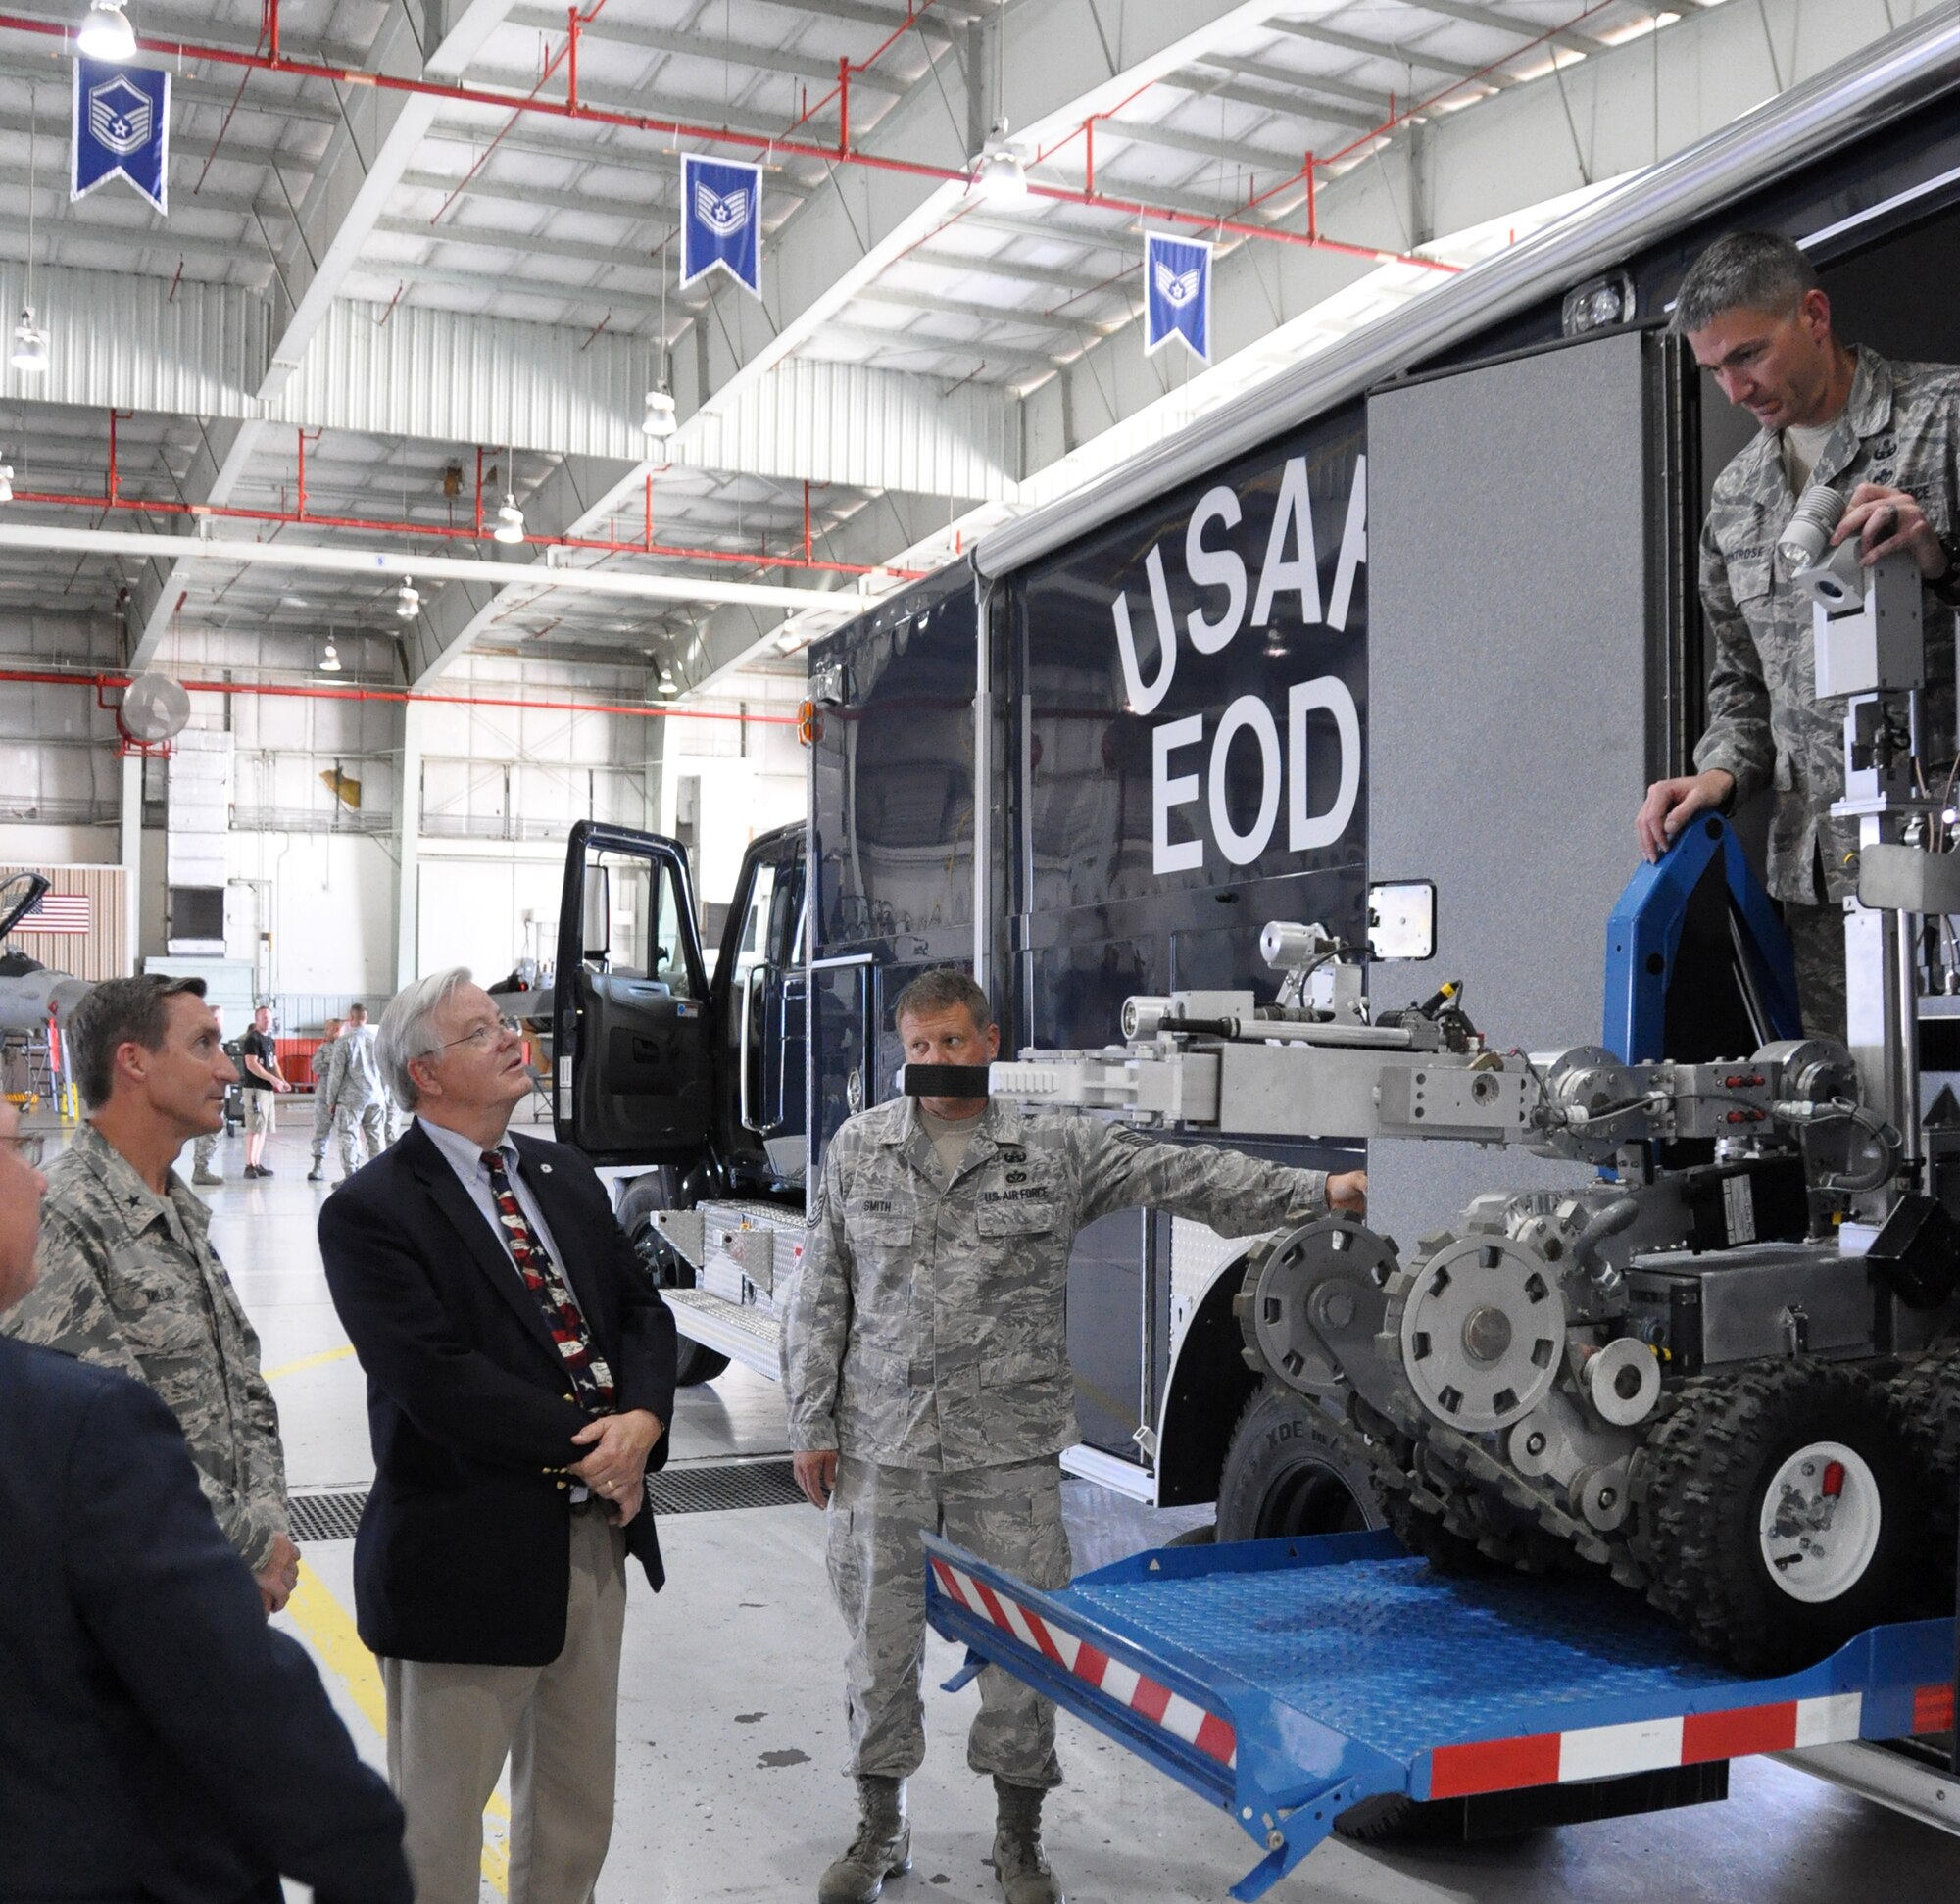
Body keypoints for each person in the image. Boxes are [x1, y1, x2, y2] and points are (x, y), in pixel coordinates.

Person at [784, 970, 1367, 1904]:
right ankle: (880, 1824)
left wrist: (1318, 1189)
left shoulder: (1053, 1146)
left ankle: (1019, 1837)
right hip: (882, 1449)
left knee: (1024, 1654)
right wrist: (811, 1420)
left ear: (990, 1042)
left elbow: (1184, 1173)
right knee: (877, 1649)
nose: (935, 1061)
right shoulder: (860, 1148)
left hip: (1007, 1455)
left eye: (952, 1041)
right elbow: (822, 1293)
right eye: (919, 1045)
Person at [318, 967, 678, 1904]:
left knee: (573, 1813)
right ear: (426, 1073)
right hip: (465, 1554)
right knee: (437, 1833)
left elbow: (641, 1311)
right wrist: (600, 1442)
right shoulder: (371, 1210)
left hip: (592, 1537)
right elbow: (437, 1381)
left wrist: (643, 1422)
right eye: (481, 1031)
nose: (513, 1038)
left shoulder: (561, 1173)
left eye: (504, 1023)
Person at [0, 1098, 416, 1904]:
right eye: (15, 1152)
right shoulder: (70, 1424)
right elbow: (231, 1694)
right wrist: (360, 1851)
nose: (36, 1181)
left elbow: (243, 1381)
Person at [1636, 231, 1960, 1041]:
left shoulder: (1944, 418)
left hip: (1943, 852)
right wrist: (1719, 770)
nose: (1734, 389)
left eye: (1749, 355)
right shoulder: (1737, 496)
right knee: (1851, 1113)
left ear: (1814, 316)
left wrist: (1941, 561)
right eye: (1714, 369)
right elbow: (1743, 680)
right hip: (1825, 884)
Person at [2, 973, 302, 1614]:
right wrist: (249, 1547)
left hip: (212, 1581)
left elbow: (246, 1387)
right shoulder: (62, 1213)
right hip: (130, 1599)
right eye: (203, 1044)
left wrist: (268, 1530)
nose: (227, 1070)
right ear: (133, 1061)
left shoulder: (175, 1208)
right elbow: (106, 1441)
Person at [330, 1000, 389, 1177]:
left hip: (351, 1098)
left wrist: (331, 1100)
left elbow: (336, 1073)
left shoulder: (344, 1041)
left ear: (351, 1018)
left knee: (348, 1135)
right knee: (376, 1137)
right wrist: (385, 1095)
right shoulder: (378, 1040)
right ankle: (378, 1177)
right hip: (376, 1096)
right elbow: (386, 1070)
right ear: (366, 1018)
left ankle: (351, 1177)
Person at [239, 1001, 291, 1178]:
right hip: (255, 1089)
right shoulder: (252, 1039)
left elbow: (274, 1062)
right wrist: (273, 1079)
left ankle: (256, 1162)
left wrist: (282, 1080)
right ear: (256, 1020)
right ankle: (249, 1165)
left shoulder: (269, 1040)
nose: (267, 1021)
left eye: (269, 1018)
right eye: (263, 1018)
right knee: (253, 1127)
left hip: (267, 1089)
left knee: (262, 1128)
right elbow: (252, 1065)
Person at [191, 1001, 227, 1186]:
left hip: (212, 1093)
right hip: (206, 1094)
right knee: (209, 1131)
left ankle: (202, 1168)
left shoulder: (210, 1041)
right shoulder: (205, 1042)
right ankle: (201, 1170)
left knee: (212, 1132)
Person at [307, 1012, 345, 1183]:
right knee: (321, 1131)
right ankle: (318, 1165)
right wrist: (336, 1065)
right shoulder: (323, 1048)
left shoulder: (348, 1046)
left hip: (344, 1098)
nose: (325, 1032)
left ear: (337, 1030)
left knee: (347, 1134)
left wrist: (332, 1065)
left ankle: (350, 1169)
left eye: (328, 1029)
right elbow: (316, 1067)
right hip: (324, 1096)